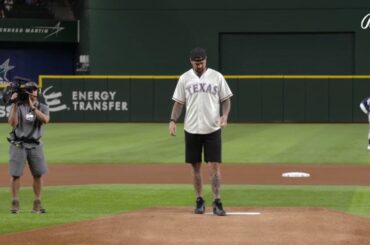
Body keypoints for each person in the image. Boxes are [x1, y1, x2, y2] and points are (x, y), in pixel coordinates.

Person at [169, 47, 233, 216]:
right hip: (191, 128)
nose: (199, 65)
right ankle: (199, 200)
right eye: (196, 63)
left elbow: (226, 99)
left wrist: (224, 116)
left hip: (212, 128)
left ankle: (217, 201)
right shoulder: (184, 78)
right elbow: (178, 103)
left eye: (202, 62)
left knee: (214, 165)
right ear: (191, 62)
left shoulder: (216, 76)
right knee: (195, 166)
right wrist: (173, 120)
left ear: (206, 61)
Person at [7, 79, 50, 214]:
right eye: (29, 90)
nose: (32, 93)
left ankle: (37, 202)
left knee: (38, 174)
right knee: (15, 175)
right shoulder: (18, 106)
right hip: (19, 144)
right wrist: (14, 105)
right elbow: (13, 123)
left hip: (35, 144)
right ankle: (15, 203)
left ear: (37, 92)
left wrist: (33, 107)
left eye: (34, 90)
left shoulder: (42, 106)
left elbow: (45, 120)